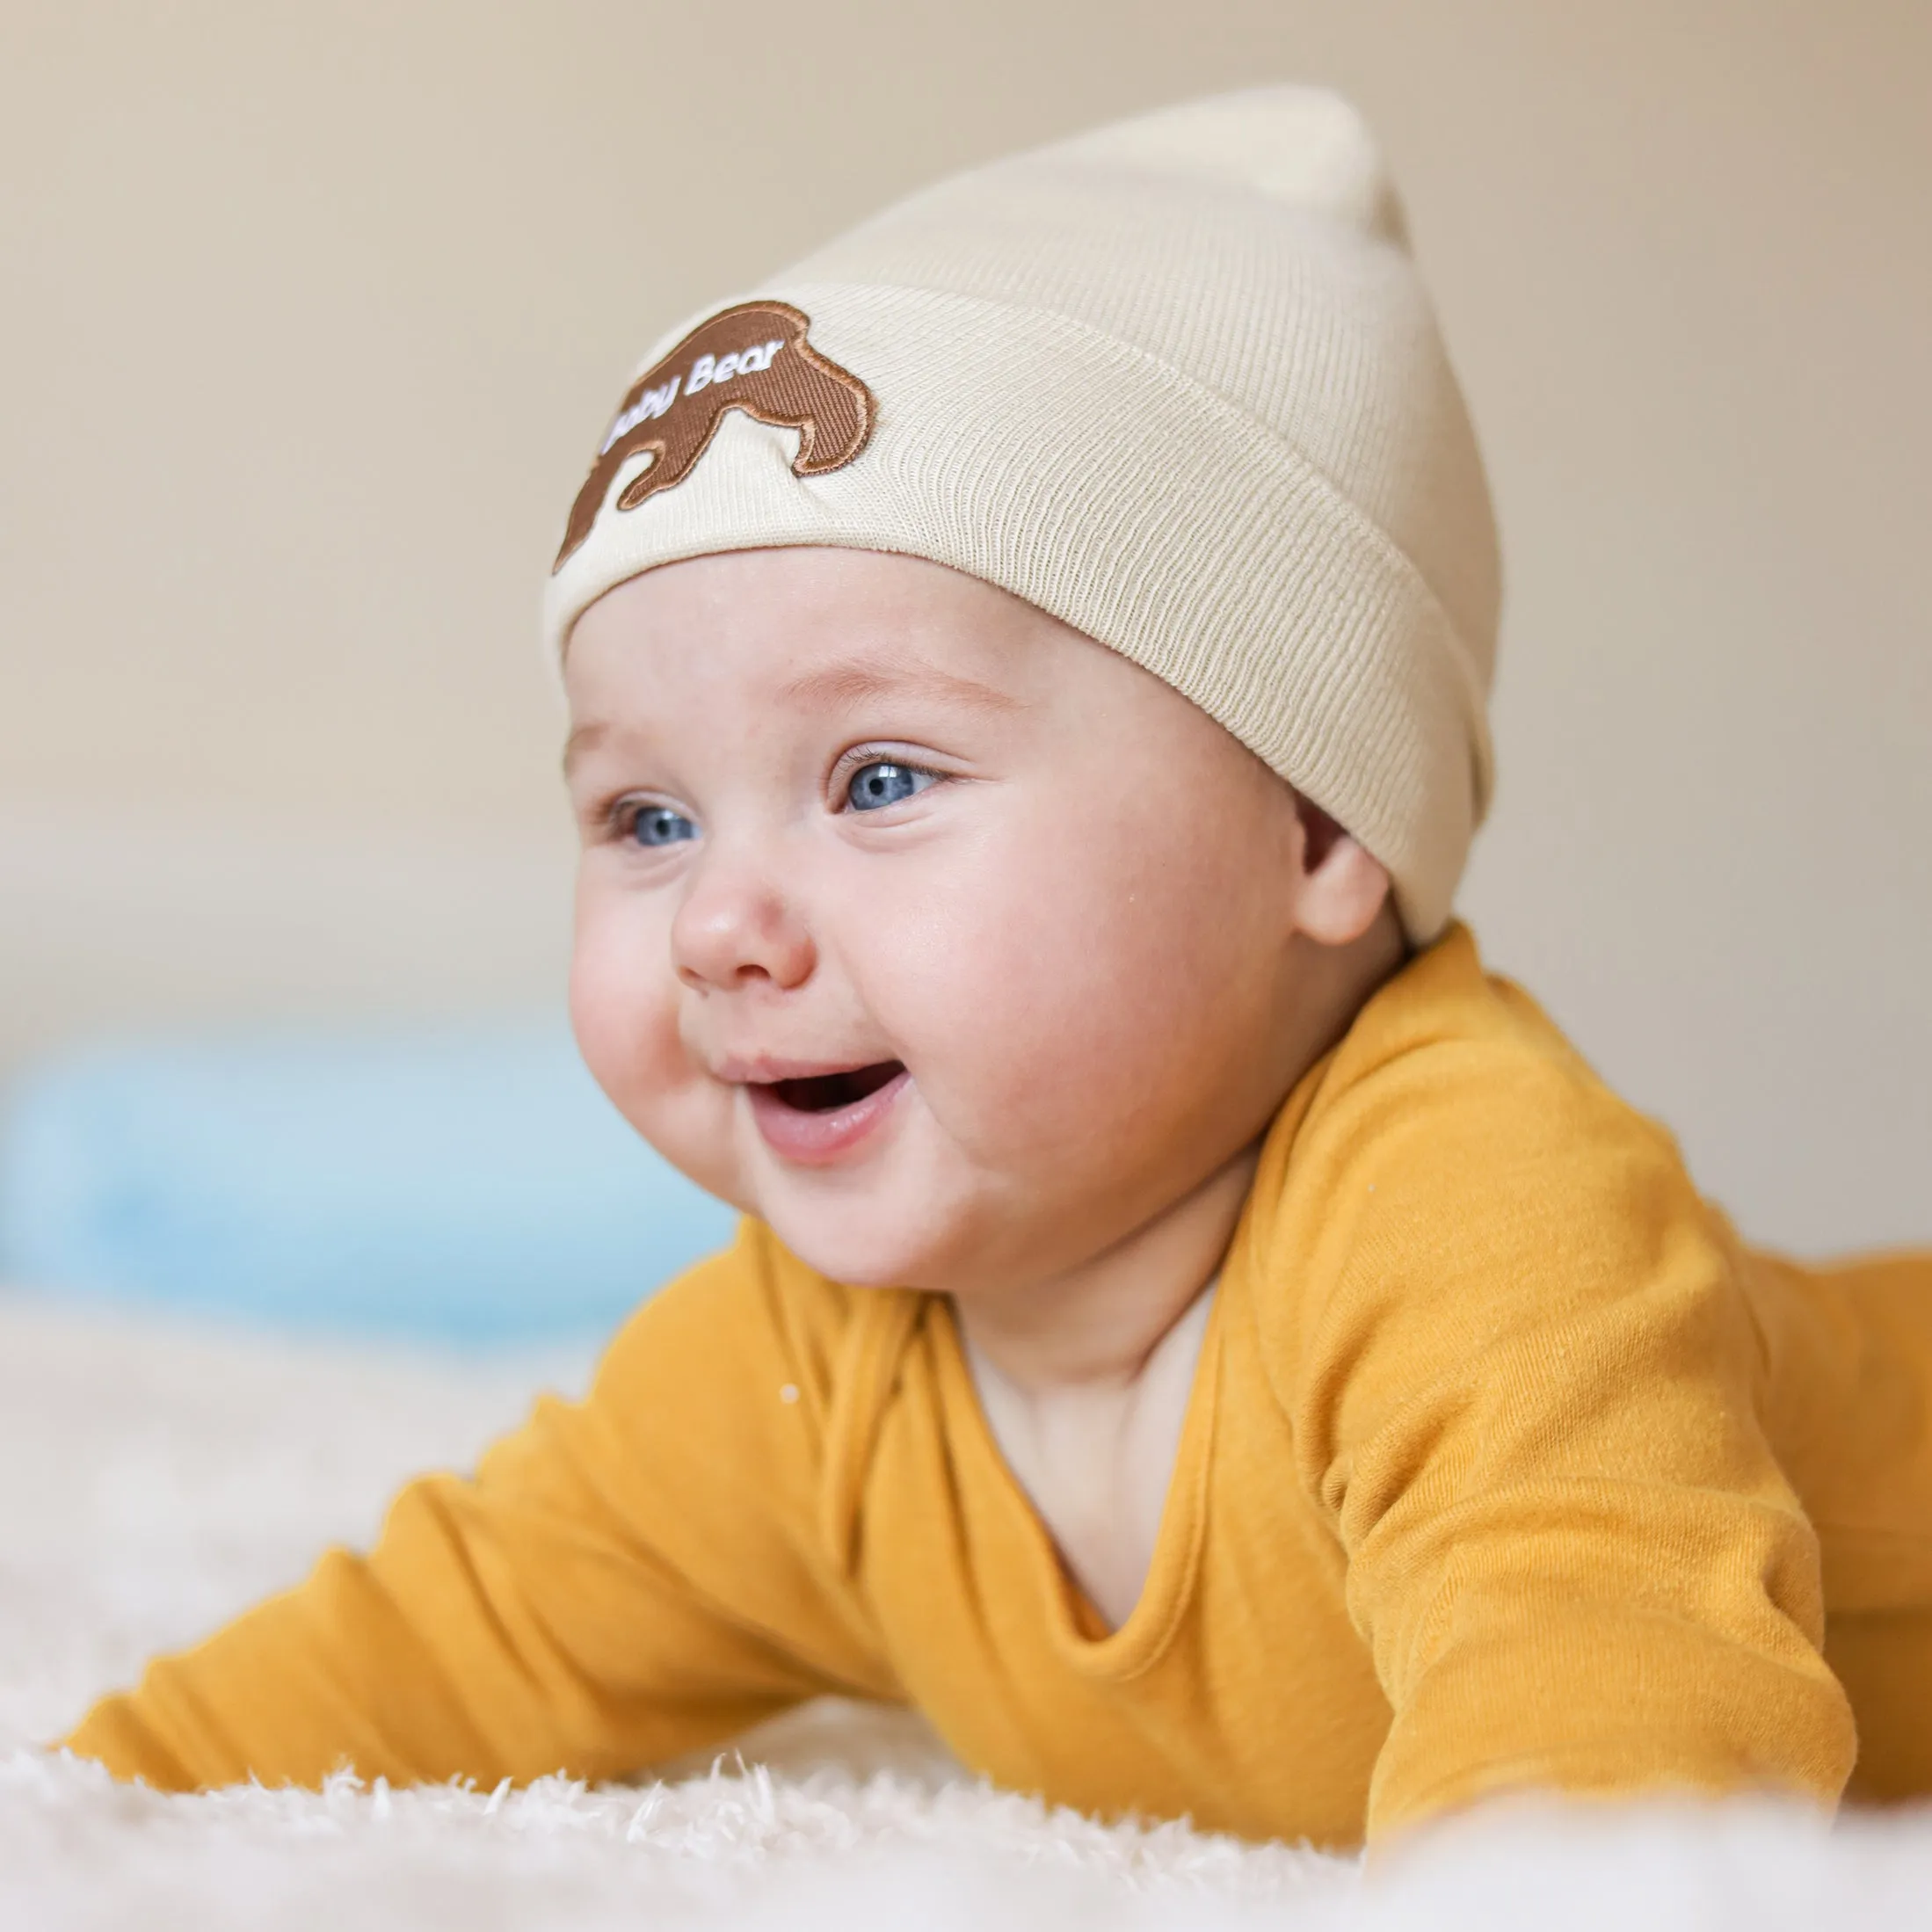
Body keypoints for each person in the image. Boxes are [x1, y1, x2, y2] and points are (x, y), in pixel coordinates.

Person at [62, 86, 1932, 1851]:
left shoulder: (1473, 1209)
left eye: (878, 779)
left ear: (1312, 828)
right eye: (645, 820)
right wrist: (83, 1800)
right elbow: (462, 1633)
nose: (719, 920)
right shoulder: (812, 1364)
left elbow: (1604, 1706)